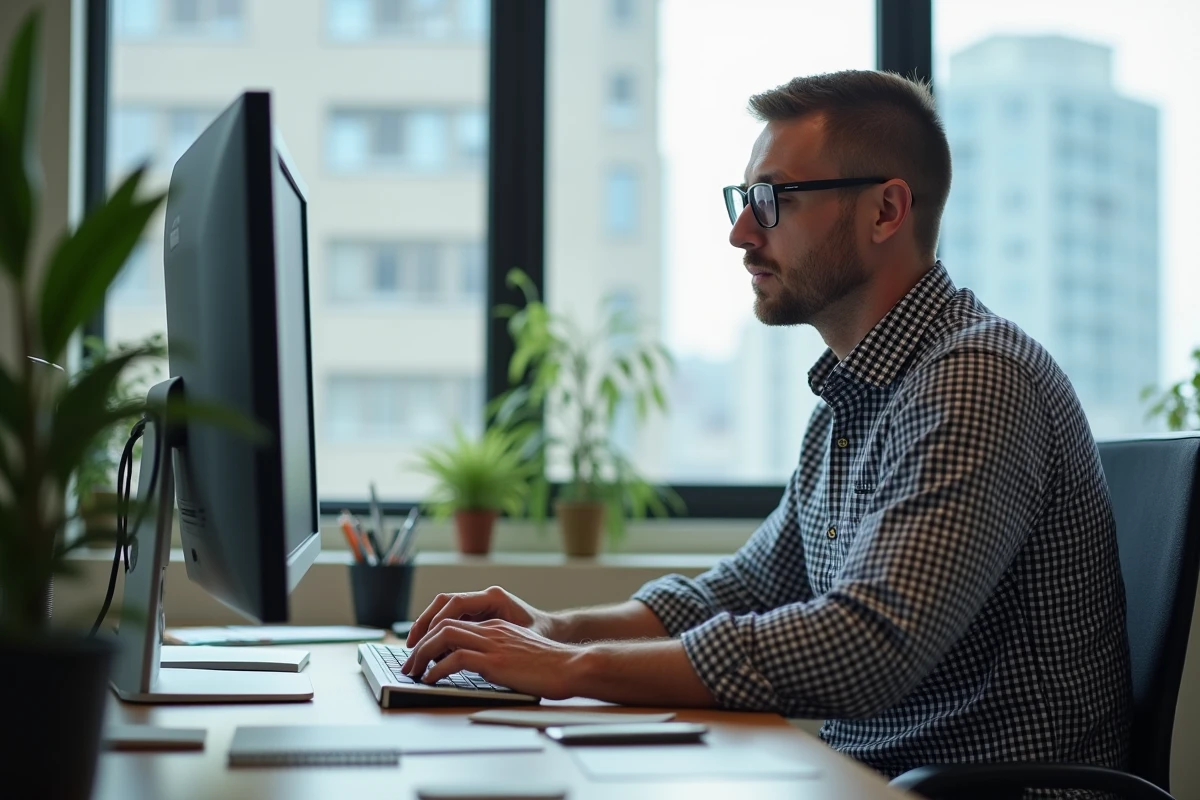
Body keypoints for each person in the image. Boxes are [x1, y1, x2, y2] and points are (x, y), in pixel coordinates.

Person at [401, 70, 1132, 780]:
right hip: (870, 778)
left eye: (773, 200)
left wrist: (573, 669)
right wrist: (556, 629)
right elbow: (747, 587)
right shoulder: (854, 400)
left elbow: (865, 647)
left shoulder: (975, 379)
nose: (742, 232)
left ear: (885, 211)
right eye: (744, 199)